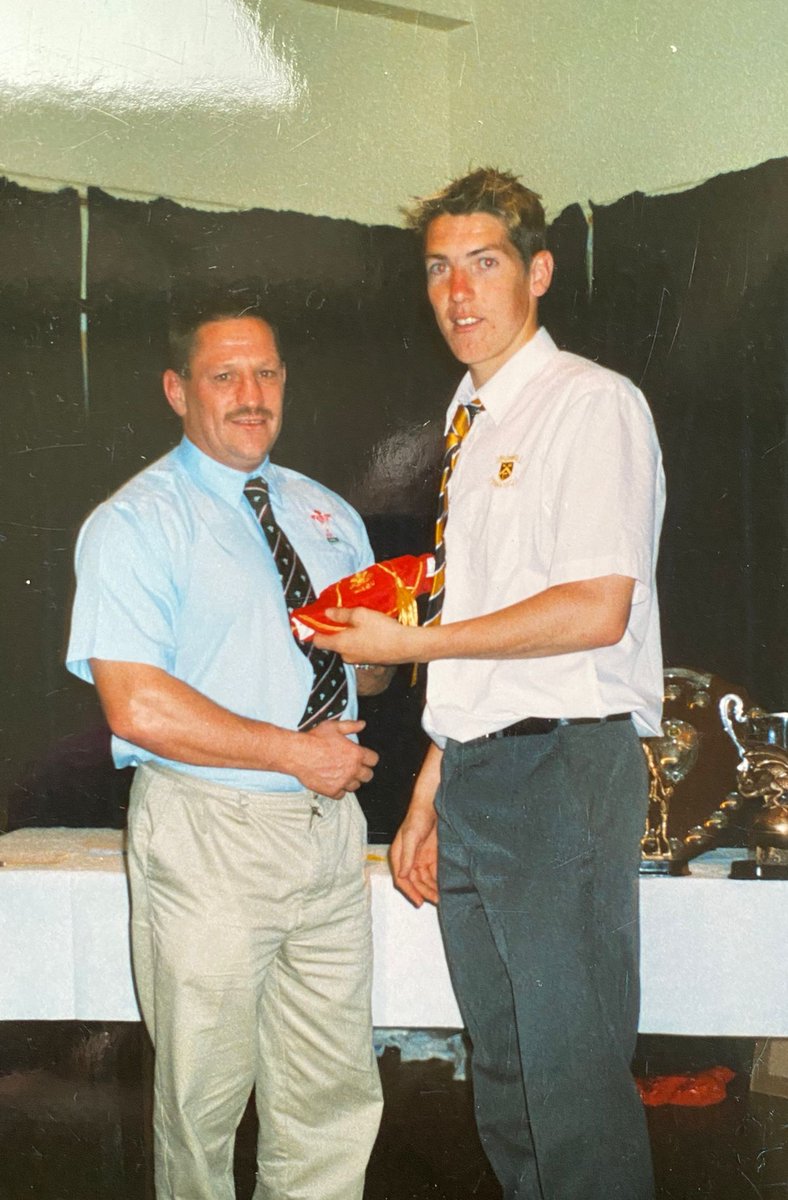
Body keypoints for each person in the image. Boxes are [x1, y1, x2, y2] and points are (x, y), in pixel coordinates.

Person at [315, 168, 665, 1200]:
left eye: (483, 263)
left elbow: (592, 610)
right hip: (479, 770)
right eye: (438, 269)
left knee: (572, 1090)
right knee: (506, 1084)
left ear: (538, 272)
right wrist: (432, 788)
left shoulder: (589, 404)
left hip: (561, 770)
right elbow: (488, 634)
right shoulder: (469, 417)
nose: (457, 292)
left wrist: (410, 644)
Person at [65, 299, 386, 1200]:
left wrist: (379, 653)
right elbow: (135, 706)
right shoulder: (136, 522)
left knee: (331, 1101)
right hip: (208, 830)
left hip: (328, 828)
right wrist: (293, 752)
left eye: (267, 373)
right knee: (203, 1105)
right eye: (225, 376)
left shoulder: (328, 513)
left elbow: (370, 675)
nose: (252, 394)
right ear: (177, 391)